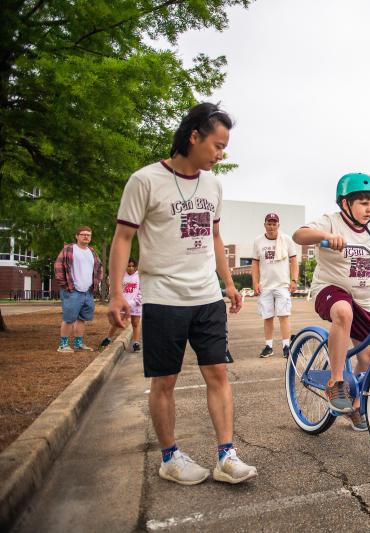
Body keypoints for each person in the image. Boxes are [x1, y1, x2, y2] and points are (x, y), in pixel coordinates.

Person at [107, 102, 256, 486]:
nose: (221, 155)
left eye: (225, 148)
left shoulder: (213, 185)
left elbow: (216, 236)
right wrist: (115, 294)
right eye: (218, 146)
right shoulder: (145, 180)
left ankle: (227, 455)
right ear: (194, 136)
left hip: (206, 296)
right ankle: (170, 458)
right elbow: (123, 237)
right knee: (166, 381)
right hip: (162, 297)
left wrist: (228, 283)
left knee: (218, 373)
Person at [293, 173, 370, 431]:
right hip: (331, 290)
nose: (369, 208)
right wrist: (325, 236)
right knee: (343, 312)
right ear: (345, 204)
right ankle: (336, 383)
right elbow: (299, 235)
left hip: (365, 301)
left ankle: (354, 405)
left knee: (368, 358)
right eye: (363, 202)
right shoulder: (331, 221)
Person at [252, 213, 299, 359]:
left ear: (278, 225)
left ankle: (286, 345)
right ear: (265, 224)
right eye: (269, 223)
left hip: (282, 285)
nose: (271, 226)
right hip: (265, 285)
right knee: (268, 317)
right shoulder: (258, 241)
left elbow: (294, 261)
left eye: (274, 224)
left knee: (284, 316)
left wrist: (294, 280)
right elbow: (255, 263)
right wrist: (255, 283)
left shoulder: (286, 240)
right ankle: (269, 346)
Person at [54, 226, 104, 353]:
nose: (86, 236)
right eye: (83, 234)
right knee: (69, 318)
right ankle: (63, 345)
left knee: (82, 318)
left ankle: (78, 344)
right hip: (72, 290)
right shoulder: (69, 249)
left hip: (87, 291)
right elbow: (58, 266)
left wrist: (96, 283)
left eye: (89, 235)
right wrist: (65, 285)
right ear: (77, 236)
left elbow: (99, 268)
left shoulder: (92, 252)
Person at [100, 258, 142, 351]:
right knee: (117, 321)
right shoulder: (121, 275)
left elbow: (141, 292)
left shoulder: (139, 276)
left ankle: (136, 343)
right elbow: (116, 289)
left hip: (136, 304)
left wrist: (134, 302)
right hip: (122, 304)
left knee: (135, 323)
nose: (131, 268)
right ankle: (108, 338)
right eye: (128, 266)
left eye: (133, 266)